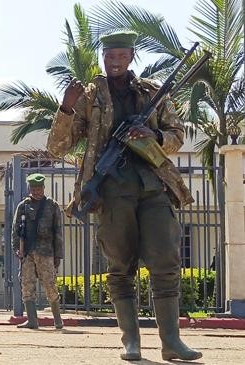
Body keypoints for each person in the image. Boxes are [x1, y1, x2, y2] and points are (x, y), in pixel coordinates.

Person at [47, 30, 201, 361]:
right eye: (109, 56)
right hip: (112, 191)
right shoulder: (90, 95)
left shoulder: (152, 92)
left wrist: (154, 134)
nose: (114, 62)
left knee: (165, 261)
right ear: (103, 58)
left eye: (120, 56)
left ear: (131, 57)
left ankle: (171, 342)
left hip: (153, 185)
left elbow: (176, 135)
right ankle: (130, 341)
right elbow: (59, 146)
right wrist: (66, 108)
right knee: (120, 267)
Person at [11, 173, 64, 329]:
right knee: (27, 284)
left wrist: (58, 254)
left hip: (46, 251)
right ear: (29, 188)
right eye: (33, 188)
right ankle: (32, 321)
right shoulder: (23, 206)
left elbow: (58, 232)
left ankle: (57, 320)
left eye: (39, 188)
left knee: (50, 284)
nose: (36, 191)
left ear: (43, 188)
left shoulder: (52, 206)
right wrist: (17, 249)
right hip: (27, 252)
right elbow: (16, 230)